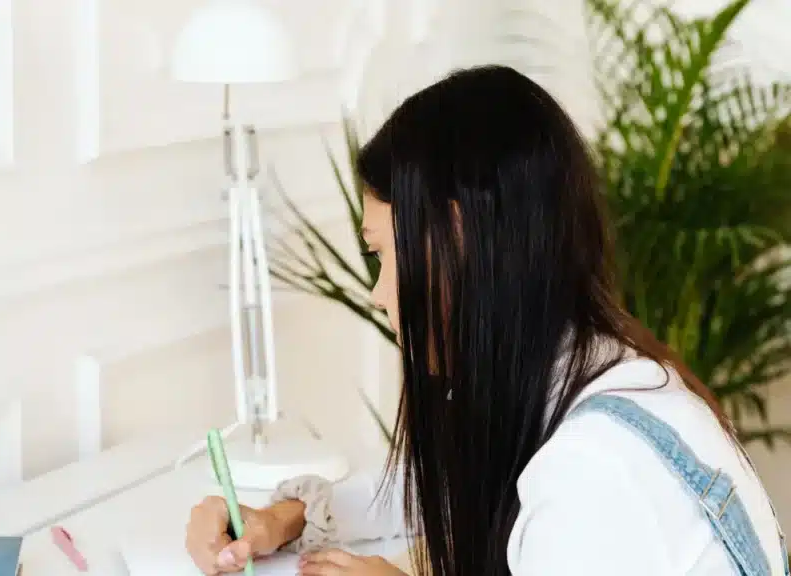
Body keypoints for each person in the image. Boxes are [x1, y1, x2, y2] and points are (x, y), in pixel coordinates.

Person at [184, 65, 789, 576]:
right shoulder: (588, 370)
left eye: (382, 254)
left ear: (456, 238)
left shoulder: (596, 468)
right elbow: (428, 494)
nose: (377, 292)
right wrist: (283, 517)